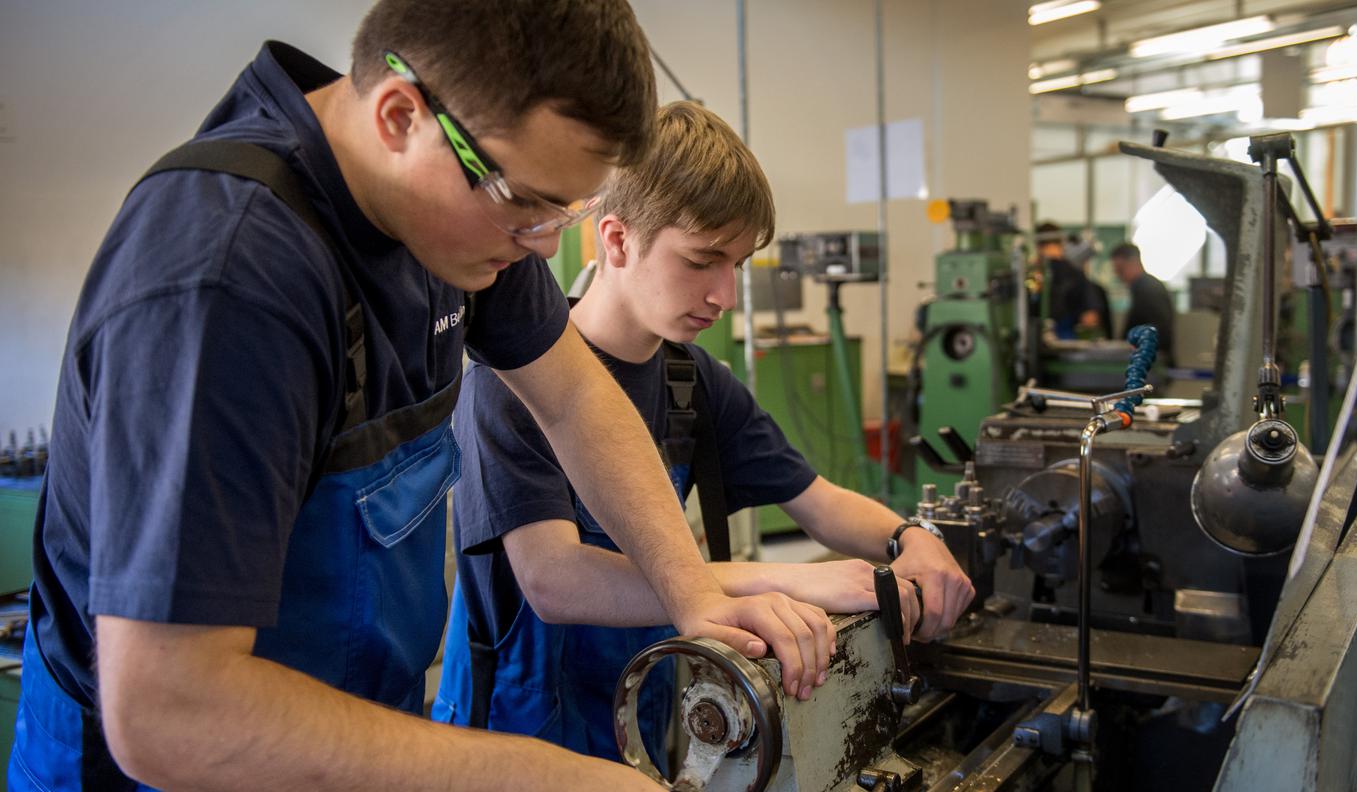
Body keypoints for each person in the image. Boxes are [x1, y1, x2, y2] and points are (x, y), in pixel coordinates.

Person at [9, 3, 835, 790]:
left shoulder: (465, 224)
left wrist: (691, 592)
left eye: (566, 209)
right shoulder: (226, 283)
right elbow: (168, 712)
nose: (546, 244)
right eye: (527, 205)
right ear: (402, 115)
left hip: (351, 734)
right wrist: (541, 777)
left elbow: (578, 402)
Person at [432, 101, 976, 765]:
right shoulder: (510, 381)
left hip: (638, 712)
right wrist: (780, 585)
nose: (724, 294)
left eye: (738, 266)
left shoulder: (692, 381)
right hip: (510, 734)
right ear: (616, 240)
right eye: (702, 259)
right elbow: (555, 581)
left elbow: (817, 498)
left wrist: (909, 538)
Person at [1110, 242, 1175, 363]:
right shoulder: (1142, 287)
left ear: (1133, 263)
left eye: (1120, 269)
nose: (1117, 275)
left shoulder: (1148, 289)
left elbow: (1159, 329)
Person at [1036, 222, 1101, 339]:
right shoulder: (1076, 274)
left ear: (1037, 245)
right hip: (1065, 345)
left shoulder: (1032, 274)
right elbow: (1090, 318)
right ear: (1061, 243)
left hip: (1036, 341)